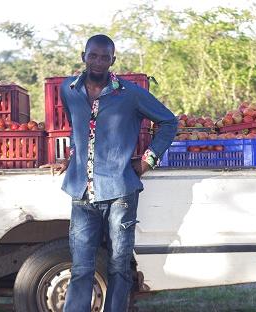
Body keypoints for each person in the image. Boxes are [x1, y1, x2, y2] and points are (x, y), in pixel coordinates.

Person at [59, 34, 178, 312]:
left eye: (104, 57)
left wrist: (148, 160)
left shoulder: (130, 94)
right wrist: (72, 157)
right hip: (81, 192)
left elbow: (169, 121)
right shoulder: (69, 89)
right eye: (93, 55)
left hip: (120, 193)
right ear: (83, 56)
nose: (98, 61)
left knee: (119, 266)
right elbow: (77, 127)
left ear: (113, 60)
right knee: (81, 268)